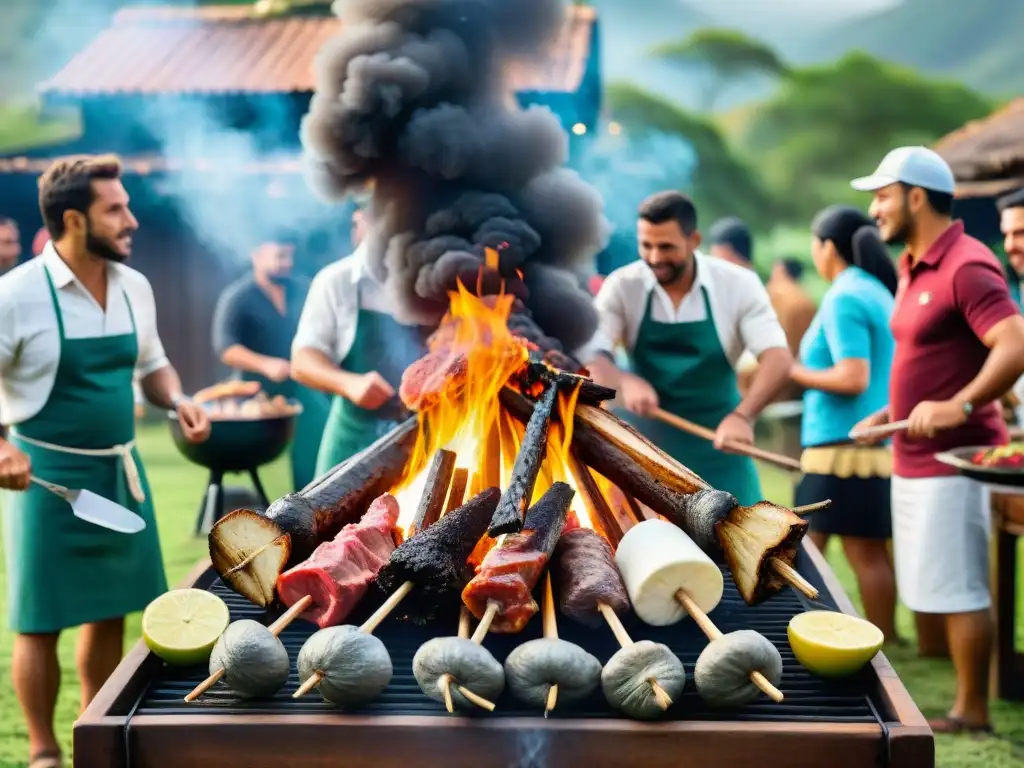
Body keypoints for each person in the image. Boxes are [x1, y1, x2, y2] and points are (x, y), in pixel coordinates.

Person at [0, 154, 211, 768]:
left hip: (119, 474)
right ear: (73, 219)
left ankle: (92, 728)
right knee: (39, 618)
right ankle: (42, 750)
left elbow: (151, 366)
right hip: (43, 478)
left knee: (111, 610)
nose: (132, 220)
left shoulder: (133, 286)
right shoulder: (14, 295)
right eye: (115, 209)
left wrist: (178, 399)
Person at [851, 146, 1024, 734]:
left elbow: (1013, 344)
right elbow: (928, 360)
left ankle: (972, 711)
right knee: (933, 588)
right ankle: (965, 699)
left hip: (956, 461)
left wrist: (964, 404)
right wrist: (887, 412)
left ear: (915, 196)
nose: (874, 208)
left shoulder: (967, 263)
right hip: (912, 456)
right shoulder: (913, 263)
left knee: (959, 586)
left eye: (882, 194)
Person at [584, 191, 793, 505]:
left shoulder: (737, 285)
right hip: (646, 457)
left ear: (694, 240)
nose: (655, 257)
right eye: (647, 246)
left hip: (721, 449)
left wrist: (744, 416)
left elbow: (778, 358)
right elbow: (593, 353)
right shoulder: (623, 285)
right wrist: (624, 380)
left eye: (666, 247)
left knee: (738, 546)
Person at [789, 205, 899, 642]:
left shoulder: (844, 296)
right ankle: (882, 637)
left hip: (839, 448)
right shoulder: (876, 289)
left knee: (817, 551)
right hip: (866, 448)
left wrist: (793, 372)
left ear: (826, 247)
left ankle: (859, 639)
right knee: (863, 551)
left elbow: (853, 377)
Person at [291, 210, 429, 474]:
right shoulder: (336, 281)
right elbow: (302, 361)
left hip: (421, 447)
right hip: (353, 445)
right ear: (362, 220)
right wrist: (350, 383)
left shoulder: (432, 278)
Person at [212, 237, 330, 491]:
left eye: (289, 256)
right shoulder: (238, 297)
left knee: (317, 439)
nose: (286, 263)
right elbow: (226, 347)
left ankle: (315, 497)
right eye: (279, 256)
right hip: (256, 390)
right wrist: (266, 365)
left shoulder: (304, 289)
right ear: (256, 256)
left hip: (303, 384)